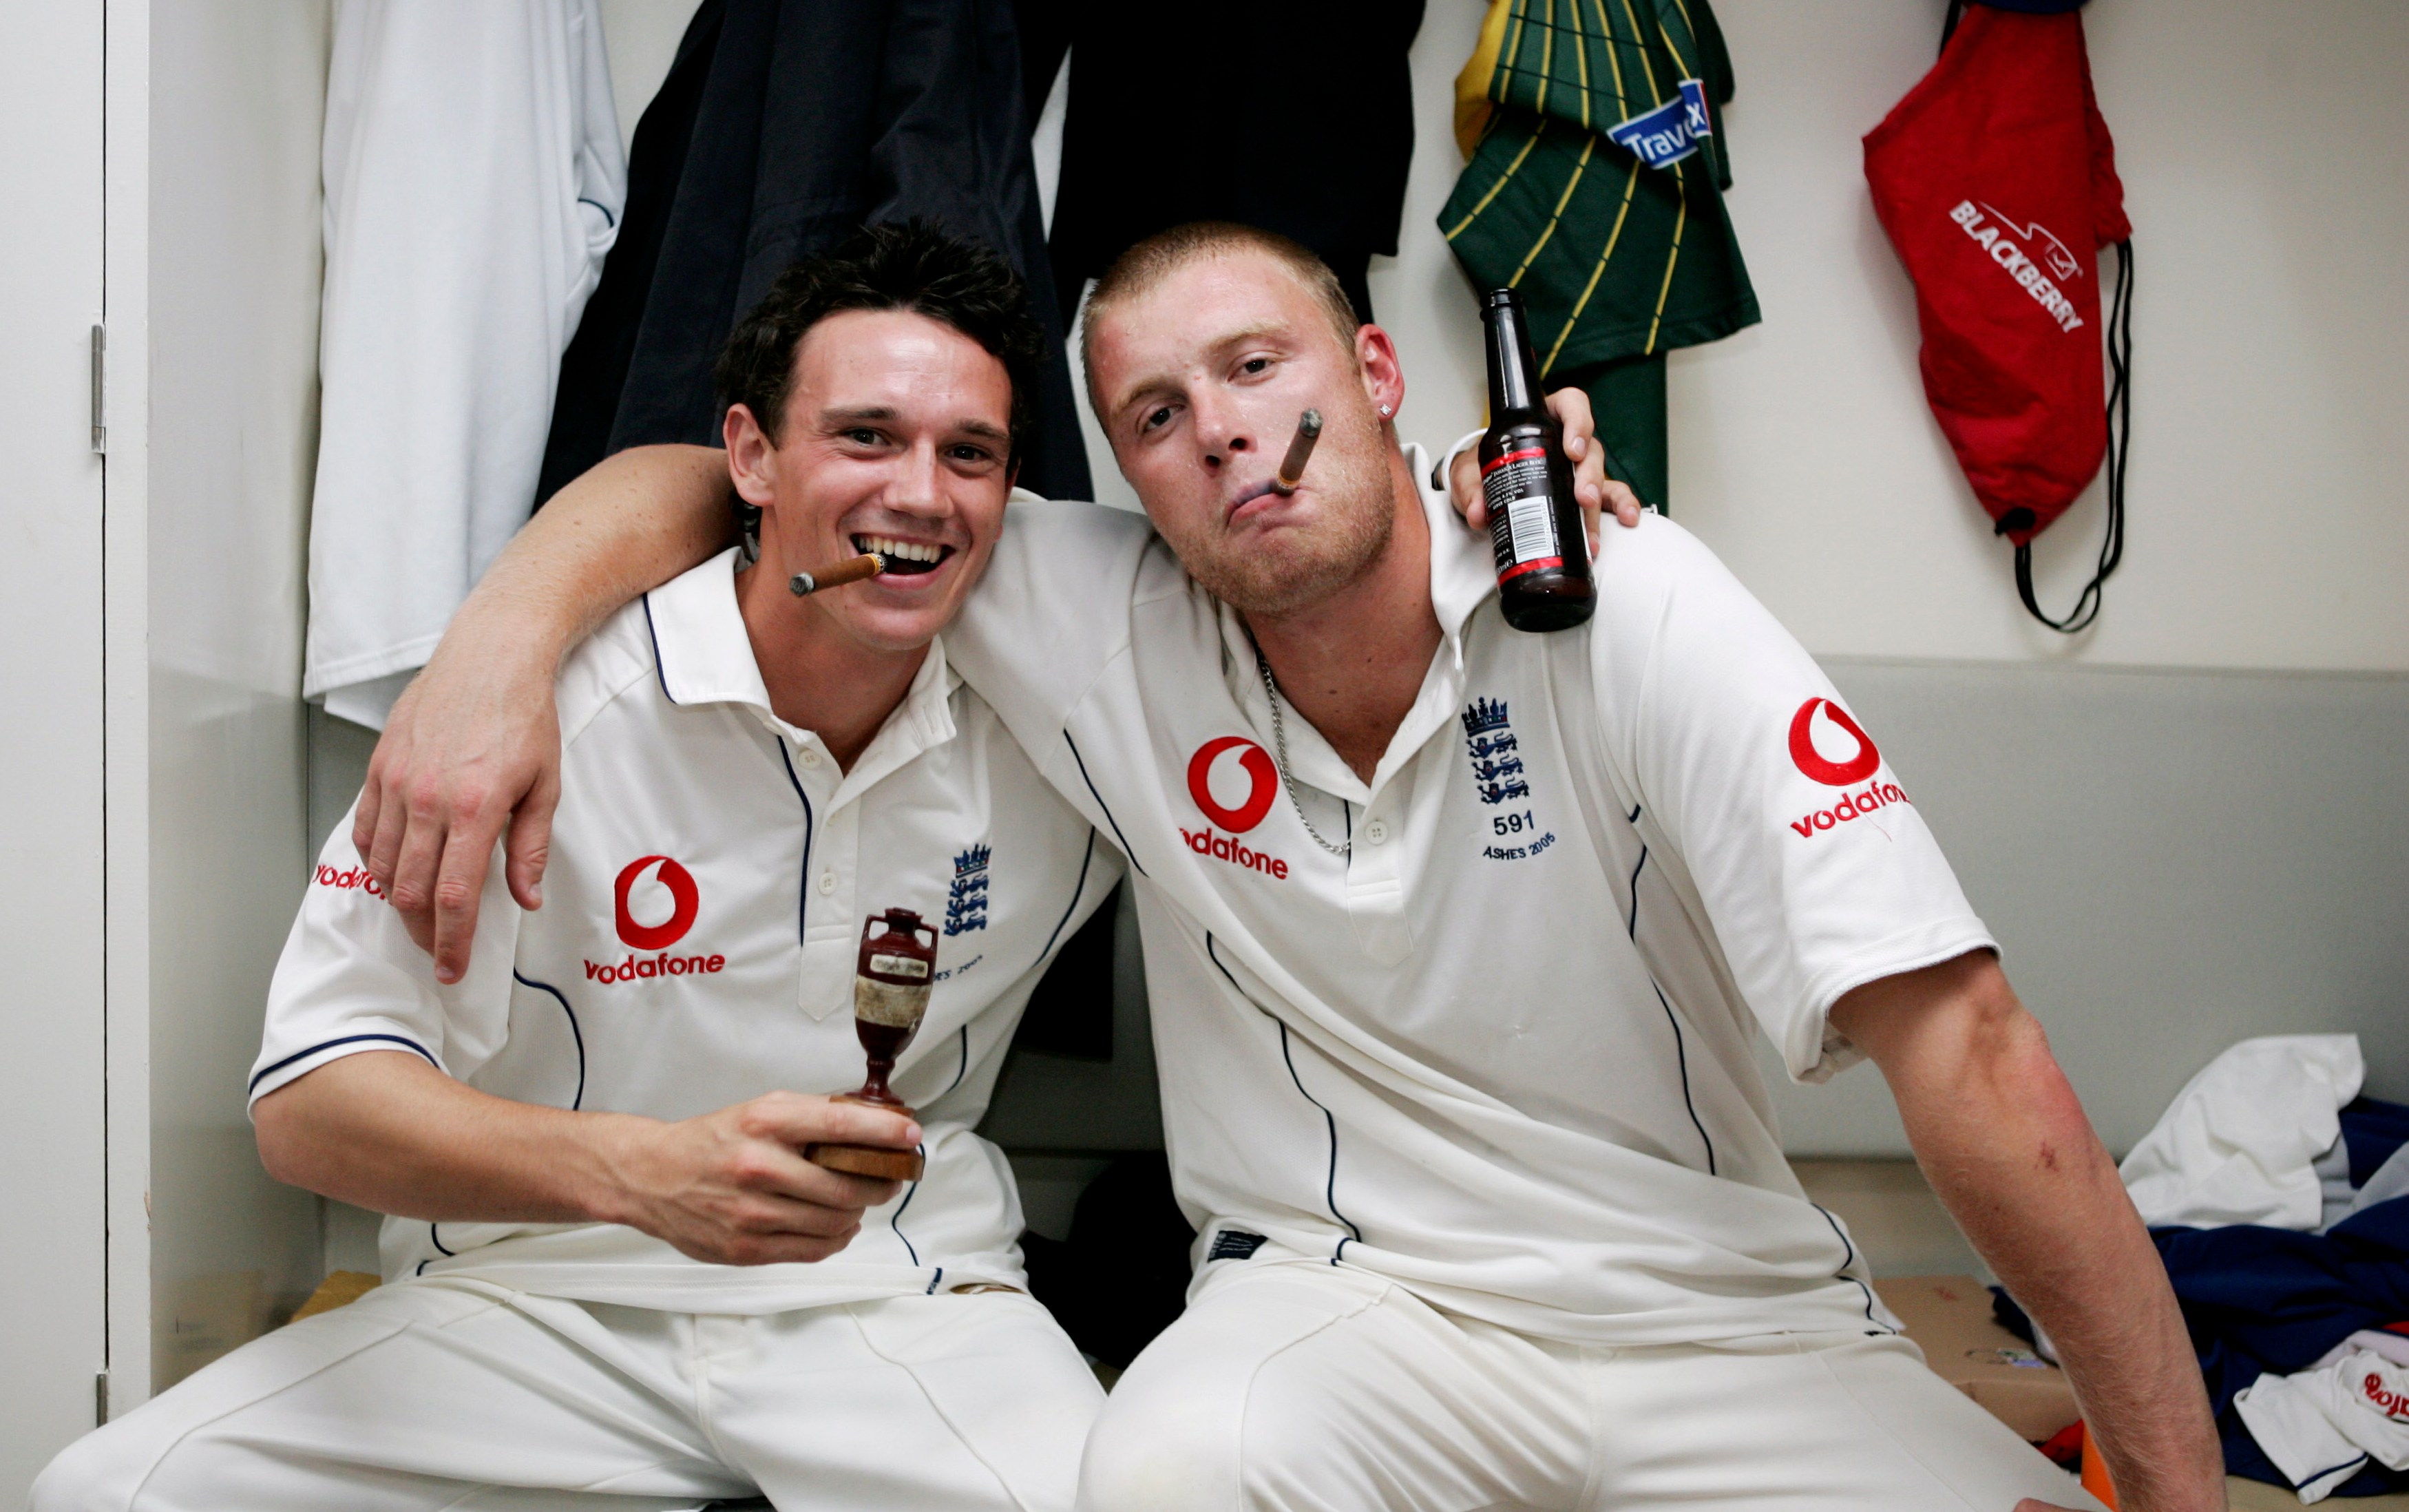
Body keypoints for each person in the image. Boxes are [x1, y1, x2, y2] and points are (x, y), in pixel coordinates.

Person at [328, 224, 2223, 1511]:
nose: (1218, 425)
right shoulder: (1079, 606)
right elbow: (754, 481)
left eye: (1257, 365)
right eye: (1153, 414)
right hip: (1337, 1304)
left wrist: (2170, 1485)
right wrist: (495, 642)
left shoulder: (1626, 600)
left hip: (1714, 1314)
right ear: (1125, 483)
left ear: (1380, 371)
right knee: (1155, 1475)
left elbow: (1964, 1042)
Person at [35, 224, 1141, 1512]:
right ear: (749, 456)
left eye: (971, 454)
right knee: (105, 1492)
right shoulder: (517, 716)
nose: (920, 492)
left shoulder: (1066, 696)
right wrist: (638, 1174)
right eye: (864, 437)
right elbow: (312, 1102)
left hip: (900, 1292)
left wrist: (1450, 461)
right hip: (534, 1300)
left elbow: (1288, 539)